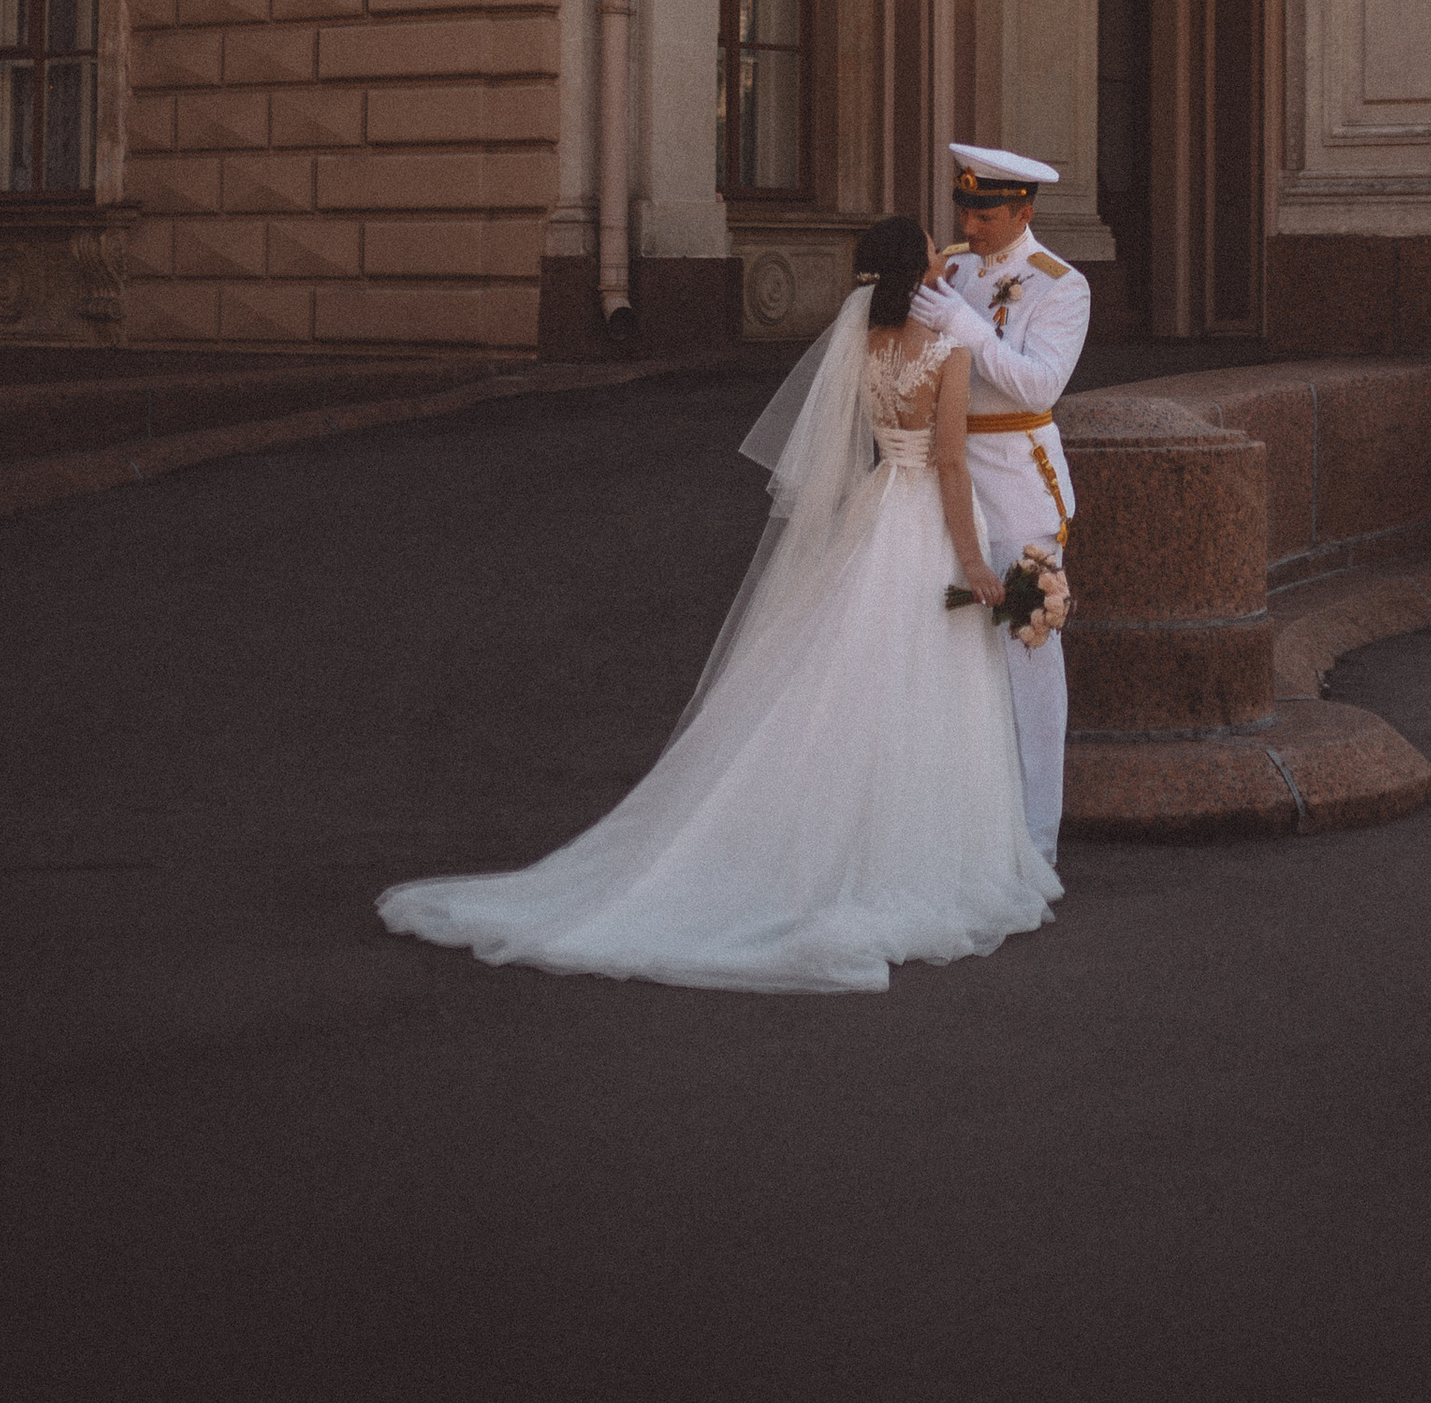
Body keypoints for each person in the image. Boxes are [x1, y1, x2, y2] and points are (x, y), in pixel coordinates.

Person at [375, 215, 1058, 994]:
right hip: (924, 525)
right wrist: (975, 562)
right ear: (918, 266)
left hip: (874, 514)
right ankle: (909, 853)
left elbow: (864, 443)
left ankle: (815, 835)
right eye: (935, 249)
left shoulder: (860, 341)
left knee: (842, 678)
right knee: (916, 687)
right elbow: (949, 465)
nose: (946, 256)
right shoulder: (949, 348)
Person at [908, 143, 1092, 864]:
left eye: (986, 210)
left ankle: (1037, 839)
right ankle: (964, 826)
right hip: (943, 475)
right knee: (948, 642)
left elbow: (1039, 386)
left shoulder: (1059, 285)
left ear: (1024, 210)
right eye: (965, 207)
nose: (970, 221)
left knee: (1028, 647)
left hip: (1016, 481)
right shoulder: (949, 266)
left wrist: (970, 330)